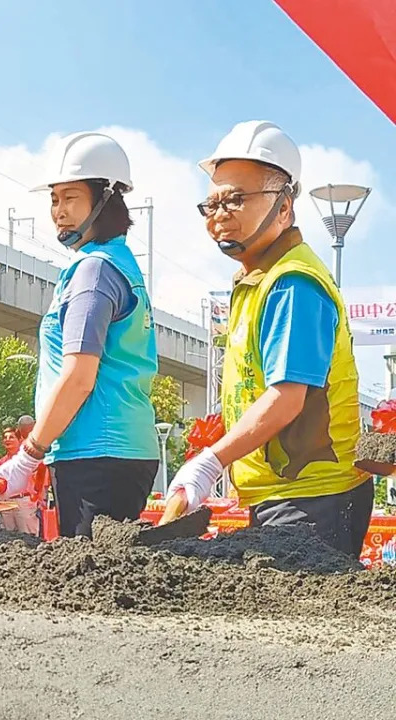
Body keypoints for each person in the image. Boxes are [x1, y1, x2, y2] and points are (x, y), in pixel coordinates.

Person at [163, 121, 369, 558]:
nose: (220, 214)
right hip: (282, 492)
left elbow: (287, 396)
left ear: (284, 208)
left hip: (315, 495)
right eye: (213, 202)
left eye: (236, 199)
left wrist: (211, 462)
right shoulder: (257, 281)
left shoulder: (294, 283)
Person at [0, 132, 159, 538]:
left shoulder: (94, 271)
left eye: (71, 198)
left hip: (97, 452)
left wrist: (28, 454)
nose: (59, 211)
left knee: (90, 581)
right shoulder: (118, 263)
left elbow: (79, 376)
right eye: (54, 199)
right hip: (118, 450)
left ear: (106, 199)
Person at [0, 427, 40, 535]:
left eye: (11, 437)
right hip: (5, 502)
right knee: (6, 537)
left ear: (19, 440)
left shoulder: (27, 461)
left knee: (29, 535)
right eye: (5, 438)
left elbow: (40, 477)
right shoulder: (1, 462)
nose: (8, 440)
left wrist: (39, 496)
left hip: (23, 501)